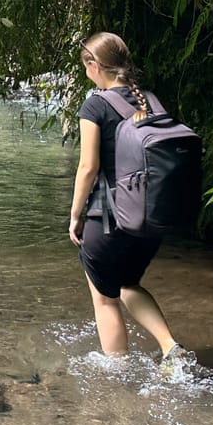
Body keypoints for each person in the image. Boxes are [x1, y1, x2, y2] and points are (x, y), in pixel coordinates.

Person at [68, 31, 186, 365]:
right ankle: (170, 347)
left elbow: (88, 167)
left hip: (109, 217)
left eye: (86, 67)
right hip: (149, 217)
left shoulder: (95, 105)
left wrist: (75, 215)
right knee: (128, 284)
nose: (87, 73)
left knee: (105, 298)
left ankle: (117, 376)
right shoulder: (150, 100)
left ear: (94, 64)